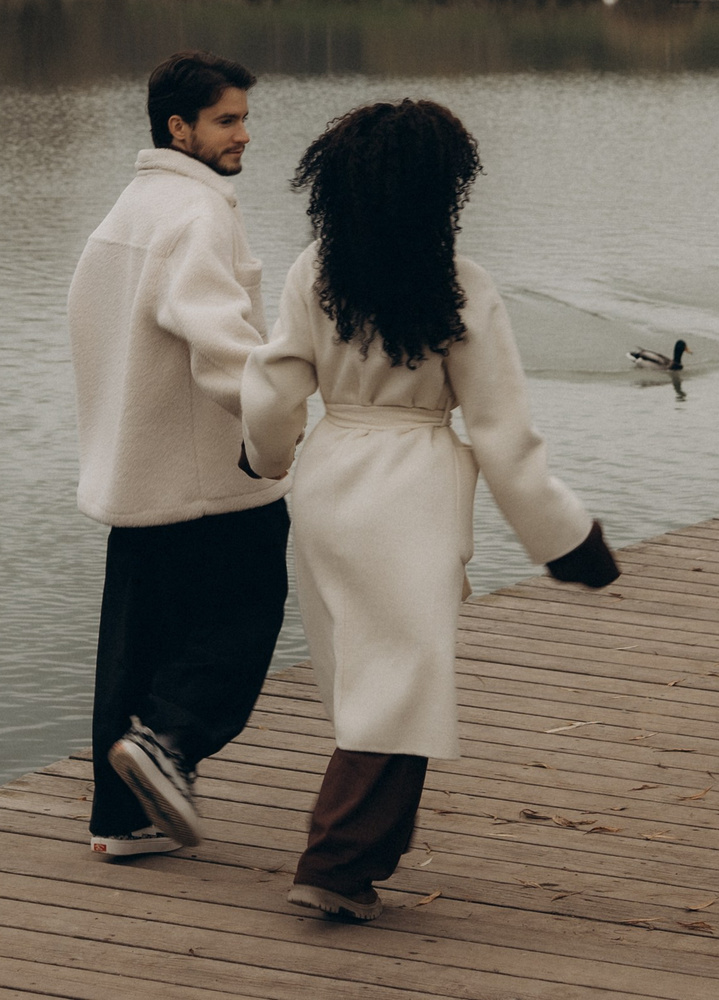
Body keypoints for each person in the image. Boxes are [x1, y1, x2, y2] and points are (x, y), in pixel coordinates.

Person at [240, 99, 619, 921]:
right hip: (408, 487)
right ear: (442, 189)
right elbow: (501, 434)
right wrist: (565, 537)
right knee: (402, 678)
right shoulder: (460, 288)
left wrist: (264, 458)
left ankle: (363, 858)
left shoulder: (315, 270)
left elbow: (273, 386)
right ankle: (335, 862)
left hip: (327, 474)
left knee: (366, 673)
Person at [65, 49, 290, 858]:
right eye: (228, 120)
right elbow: (221, 340)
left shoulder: (129, 207)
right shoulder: (200, 215)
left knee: (137, 641)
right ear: (179, 127)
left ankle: (119, 822)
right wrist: (280, 425)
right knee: (249, 612)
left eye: (243, 118)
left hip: (137, 468)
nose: (244, 136)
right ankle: (170, 743)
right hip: (213, 474)